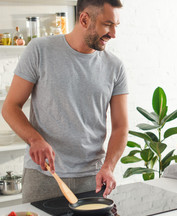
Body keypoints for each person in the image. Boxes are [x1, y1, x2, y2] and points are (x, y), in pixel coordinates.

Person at [1, 0, 128, 203]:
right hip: (44, 176)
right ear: (84, 19)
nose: (113, 34)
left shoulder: (115, 67)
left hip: (92, 180)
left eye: (116, 26)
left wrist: (109, 167)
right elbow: (10, 107)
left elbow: (121, 127)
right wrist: (35, 139)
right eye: (107, 24)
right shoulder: (39, 50)